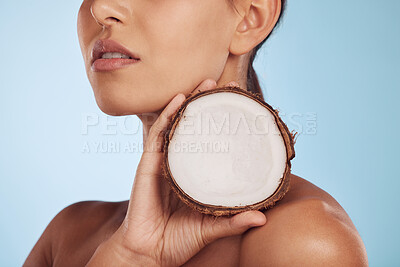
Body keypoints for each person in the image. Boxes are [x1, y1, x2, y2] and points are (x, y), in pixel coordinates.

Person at [24, 0, 368, 266]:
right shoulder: (66, 236)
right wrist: (129, 258)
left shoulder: (304, 242)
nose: (100, 8)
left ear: (250, 17)